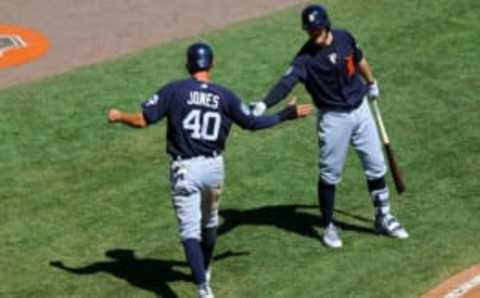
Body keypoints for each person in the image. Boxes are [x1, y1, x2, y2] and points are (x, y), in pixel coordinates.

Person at [107, 42, 313, 298]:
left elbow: (142, 119)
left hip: (186, 168)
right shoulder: (224, 96)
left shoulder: (175, 90)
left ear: (187, 65)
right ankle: (205, 269)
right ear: (212, 65)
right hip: (215, 168)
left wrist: (119, 116)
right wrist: (285, 114)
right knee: (210, 221)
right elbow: (252, 122)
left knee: (189, 232)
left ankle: (203, 287)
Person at [250, 4, 408, 248]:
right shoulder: (305, 59)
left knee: (376, 166)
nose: (313, 35)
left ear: (326, 25)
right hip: (334, 119)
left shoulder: (345, 37)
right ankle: (328, 227)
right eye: (310, 31)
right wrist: (263, 104)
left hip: (361, 110)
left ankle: (383, 217)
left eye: (316, 30)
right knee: (330, 174)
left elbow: (360, 59)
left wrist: (371, 82)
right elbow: (285, 84)